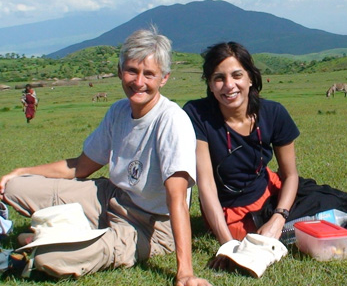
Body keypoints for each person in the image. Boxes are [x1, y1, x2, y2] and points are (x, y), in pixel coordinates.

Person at [0, 28, 211, 286]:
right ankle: (70, 232)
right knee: (13, 187)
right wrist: (21, 171)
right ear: (120, 71)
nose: (139, 81)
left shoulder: (172, 121)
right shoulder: (119, 111)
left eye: (149, 74)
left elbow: (176, 199)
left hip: (150, 224)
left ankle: (52, 239)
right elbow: (80, 167)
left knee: (48, 259)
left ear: (164, 78)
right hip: (110, 197)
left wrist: (185, 273)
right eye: (132, 71)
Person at [183, 42, 300, 268]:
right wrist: (228, 246)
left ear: (250, 78)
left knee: (324, 209)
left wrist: (278, 218)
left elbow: (291, 175)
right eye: (219, 78)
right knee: (252, 242)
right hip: (229, 210)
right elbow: (206, 185)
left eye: (237, 75)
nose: (229, 86)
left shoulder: (274, 112)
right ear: (209, 83)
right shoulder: (197, 115)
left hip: (270, 192)